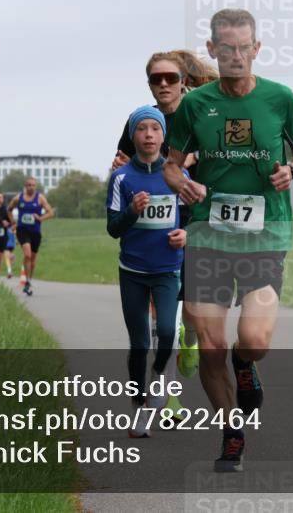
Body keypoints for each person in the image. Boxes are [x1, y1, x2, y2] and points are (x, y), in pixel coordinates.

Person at [164, 8, 293, 472]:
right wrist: (181, 182)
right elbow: (171, 164)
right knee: (210, 344)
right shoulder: (195, 105)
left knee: (253, 338)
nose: (235, 56)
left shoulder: (279, 99)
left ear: (256, 50)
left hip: (265, 234)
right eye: (225, 48)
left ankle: (246, 364)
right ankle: (232, 432)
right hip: (208, 235)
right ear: (212, 50)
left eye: (243, 48)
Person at [110, 51, 213, 379]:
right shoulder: (145, 121)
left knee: (193, 312)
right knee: (158, 315)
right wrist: (119, 168)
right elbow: (123, 164)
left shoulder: (206, 117)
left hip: (195, 218)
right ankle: (167, 394)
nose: (164, 84)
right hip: (157, 224)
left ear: (187, 82)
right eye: (157, 79)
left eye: (172, 78)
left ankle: (191, 338)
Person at [107, 106, 188, 437]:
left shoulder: (178, 176)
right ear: (133, 136)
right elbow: (113, 228)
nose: (150, 134)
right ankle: (139, 403)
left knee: (167, 331)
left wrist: (186, 236)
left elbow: (193, 218)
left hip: (168, 270)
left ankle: (158, 383)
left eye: (156, 128)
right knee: (139, 342)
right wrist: (132, 210)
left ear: (164, 136)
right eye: (142, 129)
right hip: (133, 271)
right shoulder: (121, 177)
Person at [8, 177, 55, 295]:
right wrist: (13, 222)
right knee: (27, 255)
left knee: (33, 258)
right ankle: (27, 281)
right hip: (22, 231)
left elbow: (51, 213)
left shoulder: (40, 198)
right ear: (25, 186)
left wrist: (40, 218)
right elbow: (9, 210)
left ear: (36, 186)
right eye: (29, 185)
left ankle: (29, 280)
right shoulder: (18, 198)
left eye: (33, 185)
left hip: (35, 232)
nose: (31, 187)